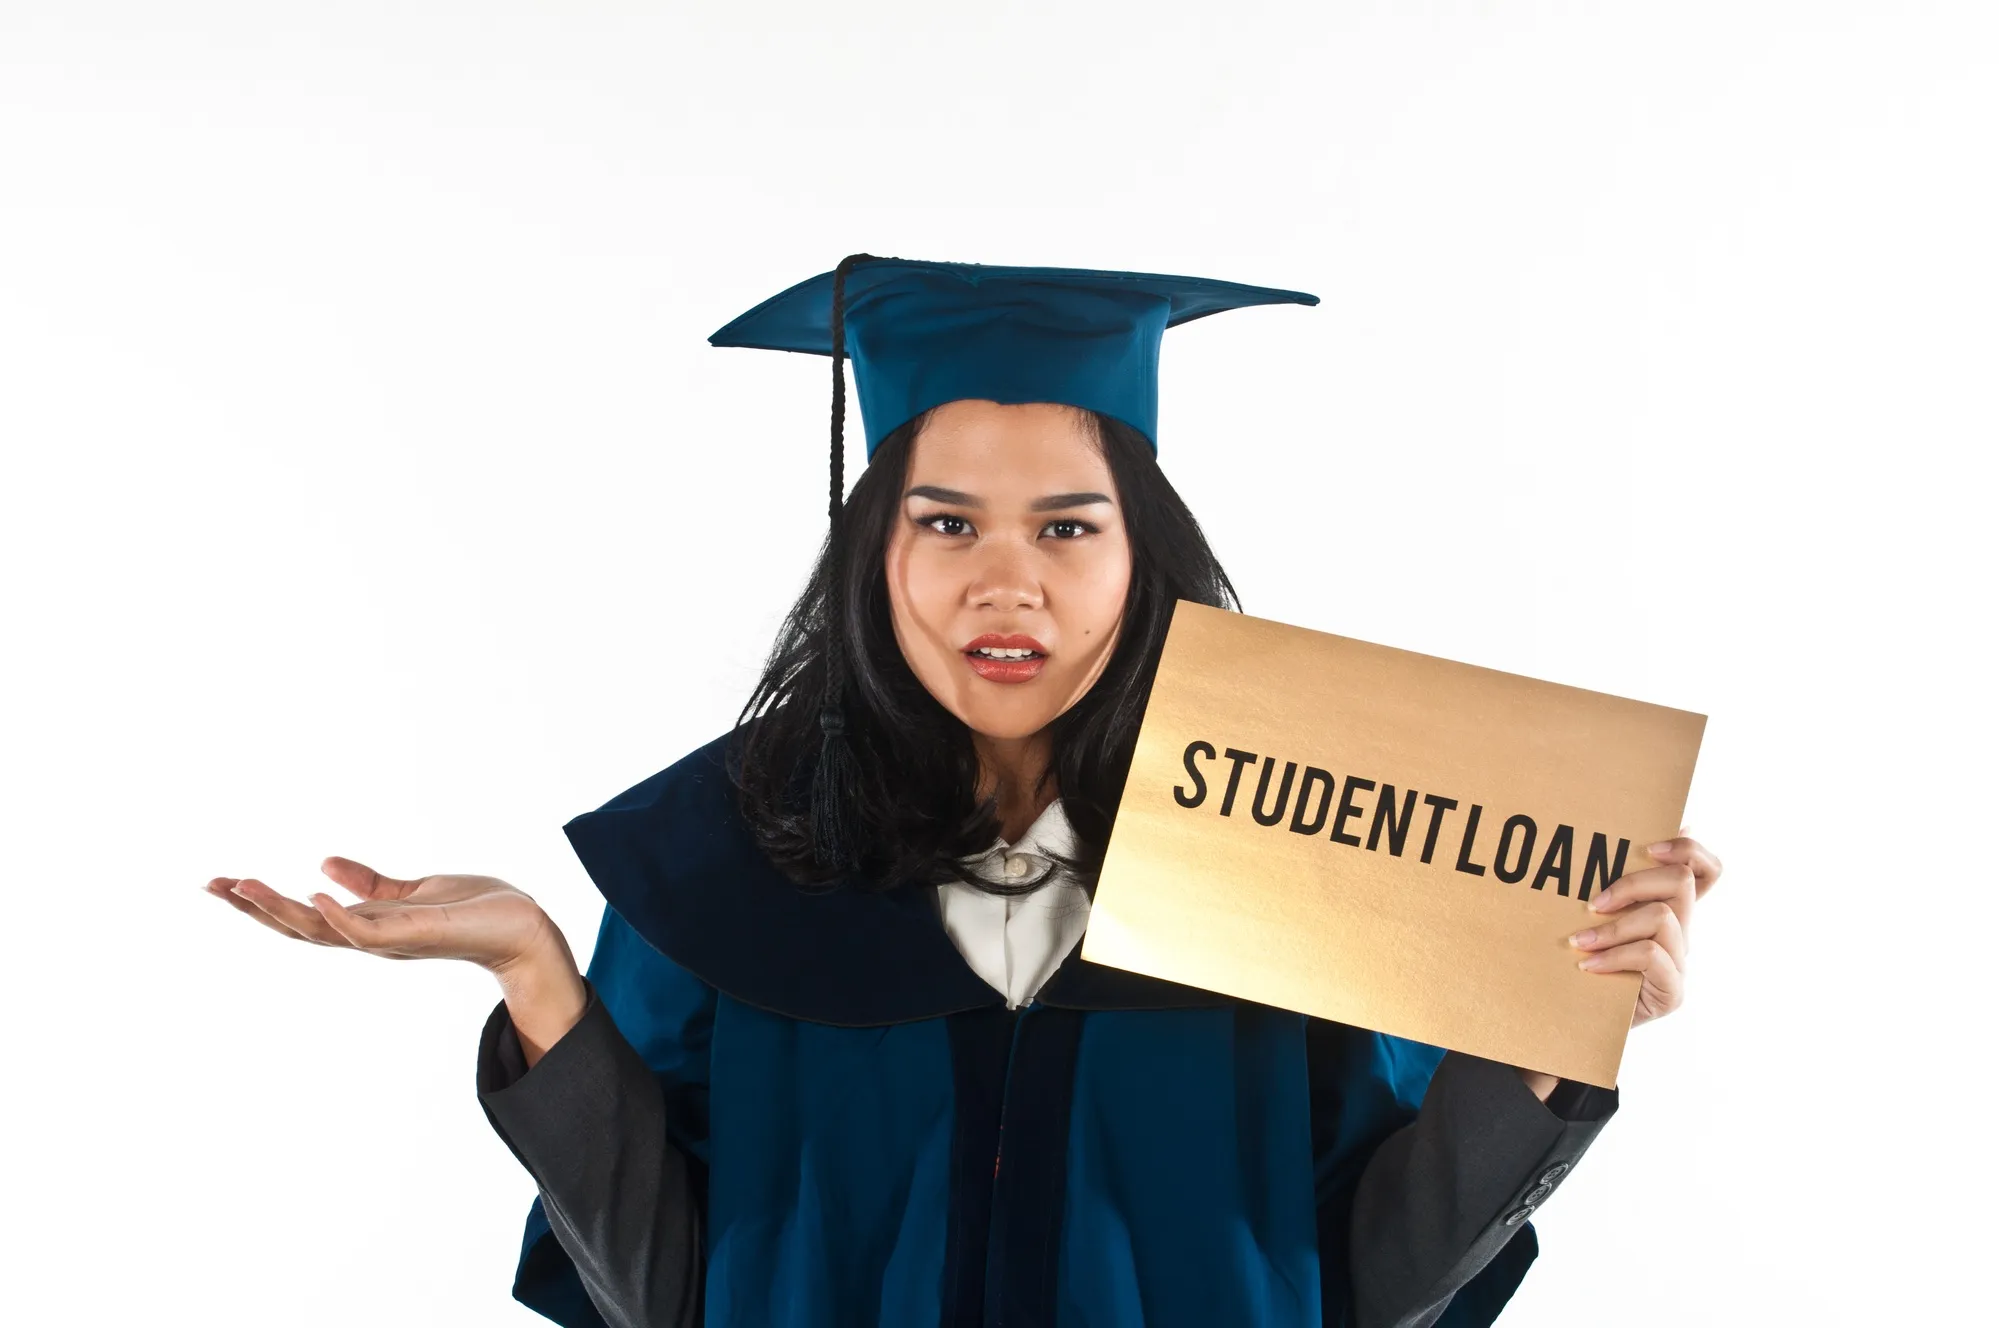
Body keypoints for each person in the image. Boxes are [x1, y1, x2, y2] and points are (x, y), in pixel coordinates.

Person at [206, 256, 1724, 1328]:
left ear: (1142, 558)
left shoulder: (1286, 846)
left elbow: (1368, 1288)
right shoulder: (713, 862)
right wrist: (540, 982)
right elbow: (660, 1299)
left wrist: (1541, 1032)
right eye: (947, 522)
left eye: (1069, 529)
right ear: (875, 549)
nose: (1008, 583)